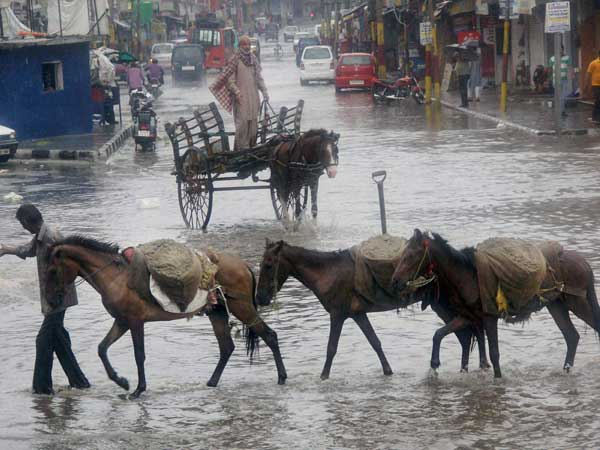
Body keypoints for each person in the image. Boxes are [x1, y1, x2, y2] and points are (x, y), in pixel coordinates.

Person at [0, 204, 90, 395]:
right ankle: (80, 384)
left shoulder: (51, 238)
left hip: (58, 298)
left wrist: (57, 294)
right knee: (59, 341)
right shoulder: (42, 236)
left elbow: (66, 267)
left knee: (43, 340)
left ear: (26, 222)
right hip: (54, 298)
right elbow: (29, 249)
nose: (23, 228)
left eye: (22, 224)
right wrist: (6, 249)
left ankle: (42, 389)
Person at [209, 35, 269, 150]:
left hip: (254, 98)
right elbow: (229, 81)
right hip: (241, 99)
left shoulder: (253, 59)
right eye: (244, 44)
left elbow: (259, 79)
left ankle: (252, 147)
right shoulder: (235, 60)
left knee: (253, 125)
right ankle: (242, 149)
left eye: (248, 44)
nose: (247, 47)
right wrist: (237, 92)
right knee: (242, 125)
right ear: (240, 46)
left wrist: (265, 92)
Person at [549, 46, 571, 117]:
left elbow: (570, 67)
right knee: (559, 96)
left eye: (560, 50)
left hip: (564, 79)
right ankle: (561, 111)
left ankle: (561, 111)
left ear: (563, 50)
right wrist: (549, 79)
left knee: (563, 96)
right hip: (555, 80)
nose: (559, 51)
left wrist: (571, 76)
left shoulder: (567, 58)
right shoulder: (552, 58)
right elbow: (550, 69)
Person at [586, 50, 600, 123]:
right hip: (596, 85)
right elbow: (588, 74)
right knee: (598, 100)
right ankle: (595, 116)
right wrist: (586, 85)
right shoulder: (593, 63)